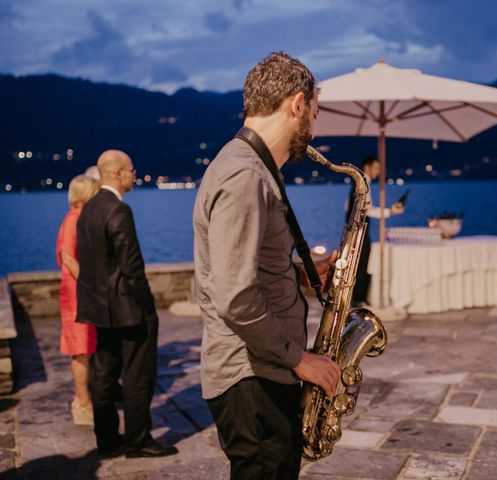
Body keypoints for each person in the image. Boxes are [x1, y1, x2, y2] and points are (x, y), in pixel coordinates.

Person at [193, 51, 341, 479]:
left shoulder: (252, 169)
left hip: (258, 371)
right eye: (313, 114)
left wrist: (301, 276)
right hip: (251, 374)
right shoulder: (243, 175)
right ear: (297, 104)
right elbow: (236, 296)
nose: (313, 129)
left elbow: (245, 272)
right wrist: (300, 360)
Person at [76, 150, 178, 458]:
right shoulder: (119, 210)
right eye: (131, 170)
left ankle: (106, 439)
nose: (134, 175)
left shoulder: (88, 208)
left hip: (98, 308)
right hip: (127, 310)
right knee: (137, 375)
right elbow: (131, 266)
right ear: (117, 173)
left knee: (104, 374)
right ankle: (137, 440)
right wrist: (148, 307)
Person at [56, 174, 100, 427]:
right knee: (81, 349)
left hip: (76, 290)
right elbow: (69, 258)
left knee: (84, 347)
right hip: (77, 292)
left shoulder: (73, 217)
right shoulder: (74, 219)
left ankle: (84, 399)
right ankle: (83, 402)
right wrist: (91, 284)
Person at [346, 155, 404, 306]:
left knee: (361, 264)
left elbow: (348, 206)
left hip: (357, 230)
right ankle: (358, 300)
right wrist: (389, 212)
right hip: (359, 232)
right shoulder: (363, 183)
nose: (378, 172)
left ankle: (360, 298)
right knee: (361, 264)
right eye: (377, 168)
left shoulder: (360, 183)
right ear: (367, 167)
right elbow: (367, 210)